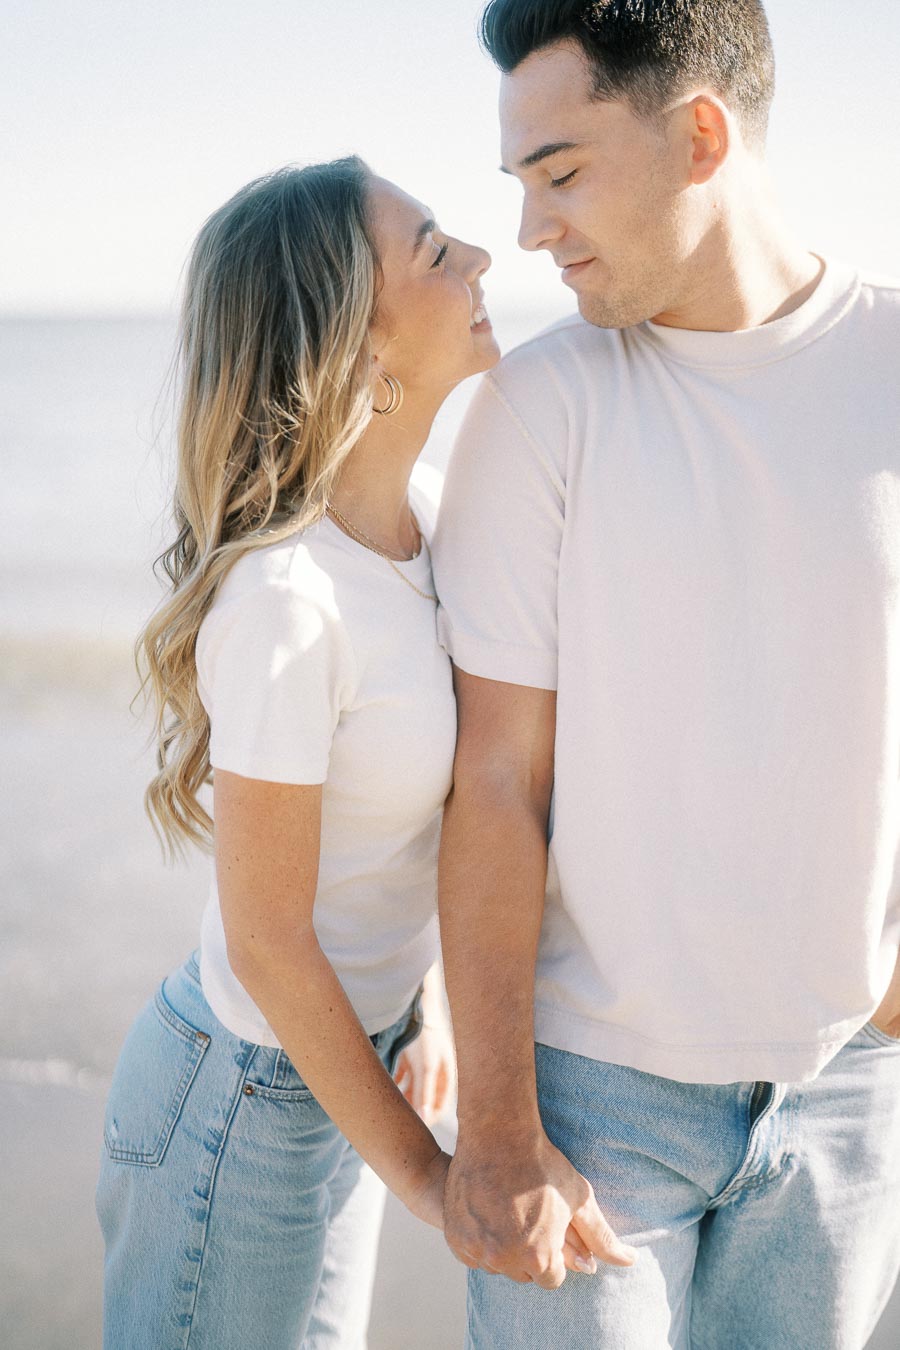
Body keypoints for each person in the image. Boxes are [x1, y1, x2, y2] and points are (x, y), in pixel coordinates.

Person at [432, 2, 900, 1346]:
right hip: (593, 1108)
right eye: (519, 185)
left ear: (702, 134)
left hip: (850, 1089)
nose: (529, 232)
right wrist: (502, 1131)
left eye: (562, 172)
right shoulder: (539, 411)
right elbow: (498, 781)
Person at [95, 156, 499, 1349]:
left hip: (344, 1069)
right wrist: (427, 1177)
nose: (479, 258)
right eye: (433, 249)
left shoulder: (431, 514)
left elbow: (424, 807)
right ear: (358, 345)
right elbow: (270, 942)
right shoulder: (287, 599)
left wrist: (419, 1003)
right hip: (243, 1104)